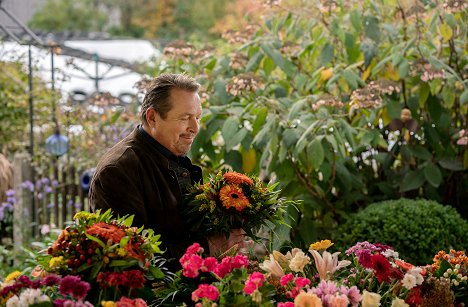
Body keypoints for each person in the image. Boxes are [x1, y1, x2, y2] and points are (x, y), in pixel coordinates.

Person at [89, 73, 204, 267]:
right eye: (185, 118)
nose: (195, 127)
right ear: (152, 117)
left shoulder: (171, 154)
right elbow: (134, 257)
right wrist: (207, 248)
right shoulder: (118, 170)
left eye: (197, 118)